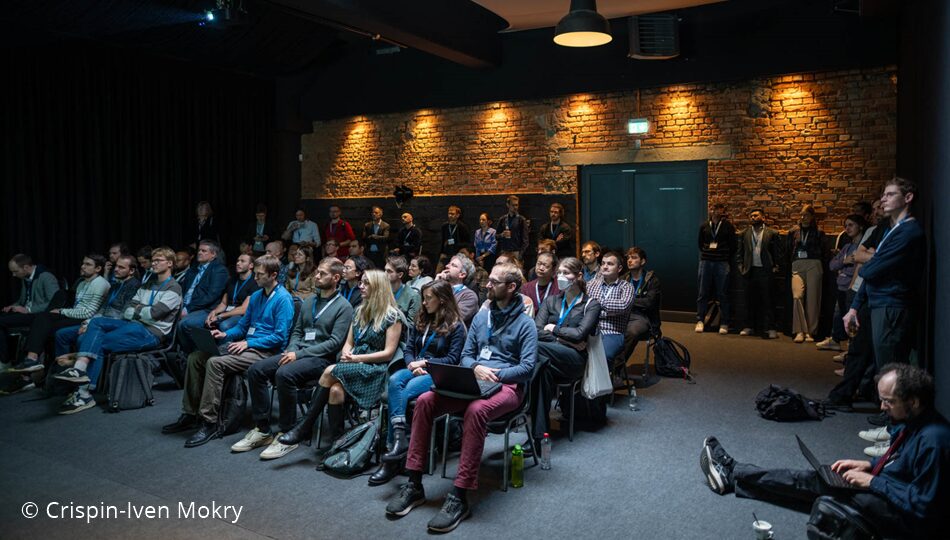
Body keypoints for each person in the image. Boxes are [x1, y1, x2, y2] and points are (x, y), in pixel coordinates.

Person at [699, 363, 950, 539]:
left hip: (910, 521)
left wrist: (873, 482)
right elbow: (903, 466)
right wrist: (871, 465)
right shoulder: (914, 422)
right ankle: (735, 479)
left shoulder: (935, 441)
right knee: (823, 481)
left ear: (914, 401)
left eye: (889, 401)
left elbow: (924, 505)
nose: (883, 407)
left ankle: (733, 473)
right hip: (890, 489)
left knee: (818, 484)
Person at [384, 262, 537, 533]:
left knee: (476, 410)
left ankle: (459, 495)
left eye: (493, 282)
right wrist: (476, 367)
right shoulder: (482, 317)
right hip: (474, 379)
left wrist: (496, 374)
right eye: (488, 280)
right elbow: (466, 356)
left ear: (511, 288)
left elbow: (527, 368)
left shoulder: (525, 325)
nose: (487, 285)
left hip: (508, 387)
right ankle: (414, 483)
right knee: (424, 401)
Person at [163, 255, 294, 448]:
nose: (255, 278)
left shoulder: (284, 299)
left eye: (259, 275)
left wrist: (249, 344)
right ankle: (190, 414)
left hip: (267, 352)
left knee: (215, 363)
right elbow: (242, 327)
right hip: (247, 345)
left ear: (273, 275)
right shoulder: (257, 296)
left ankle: (209, 422)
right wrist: (224, 334)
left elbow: (280, 337)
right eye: (255, 274)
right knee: (196, 357)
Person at [235, 257, 354, 459]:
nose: (317, 276)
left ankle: (286, 432)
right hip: (296, 353)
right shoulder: (309, 301)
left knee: (284, 374)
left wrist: (297, 354)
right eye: (317, 272)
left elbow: (334, 343)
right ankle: (263, 429)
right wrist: (290, 351)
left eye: (322, 274)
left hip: (321, 359)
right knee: (256, 369)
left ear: (335, 278)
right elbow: (297, 332)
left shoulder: (344, 307)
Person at [278, 269, 404, 449]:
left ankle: (304, 427)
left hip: (375, 369)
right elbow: (348, 343)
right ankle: (337, 443)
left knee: (329, 371)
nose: (361, 286)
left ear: (378, 287)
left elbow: (388, 353)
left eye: (366, 283)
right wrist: (346, 354)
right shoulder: (359, 311)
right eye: (361, 282)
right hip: (353, 363)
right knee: (335, 391)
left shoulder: (393, 316)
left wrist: (356, 358)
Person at [53, 247, 183, 414]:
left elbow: (153, 314)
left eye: (159, 260)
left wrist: (140, 310)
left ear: (170, 264)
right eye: (153, 260)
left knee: (96, 342)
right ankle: (80, 371)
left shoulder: (174, 287)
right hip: (134, 325)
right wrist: (142, 311)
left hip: (151, 334)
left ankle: (83, 386)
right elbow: (128, 310)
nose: (154, 263)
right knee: (97, 322)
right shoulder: (147, 284)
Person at [372, 280, 466, 485]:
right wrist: (411, 364)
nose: (423, 303)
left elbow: (453, 359)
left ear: (442, 300)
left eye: (428, 299)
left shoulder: (456, 326)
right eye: (423, 298)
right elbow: (408, 349)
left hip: (438, 373)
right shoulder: (421, 320)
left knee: (403, 394)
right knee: (396, 380)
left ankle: (391, 457)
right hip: (414, 367)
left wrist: (425, 363)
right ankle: (399, 443)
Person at [844, 178, 925, 373]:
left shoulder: (909, 232)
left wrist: (867, 262)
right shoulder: (892, 230)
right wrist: (854, 307)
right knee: (883, 368)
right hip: (881, 303)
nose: (883, 200)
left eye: (890, 195)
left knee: (891, 370)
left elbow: (869, 270)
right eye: (883, 195)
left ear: (908, 197)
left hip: (892, 307)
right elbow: (872, 271)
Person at [530, 257, 600, 448]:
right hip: (549, 357)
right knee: (541, 369)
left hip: (574, 361)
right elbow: (536, 330)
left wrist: (552, 328)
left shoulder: (591, 305)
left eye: (566, 273)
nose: (561, 277)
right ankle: (539, 437)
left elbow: (579, 335)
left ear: (578, 276)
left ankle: (517, 407)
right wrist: (561, 338)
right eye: (559, 273)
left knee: (533, 348)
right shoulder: (551, 301)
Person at [7, 254, 110, 374]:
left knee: (44, 327)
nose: (83, 266)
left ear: (98, 269)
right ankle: (33, 362)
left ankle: (40, 365)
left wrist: (62, 311)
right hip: (75, 315)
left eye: (88, 264)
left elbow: (88, 312)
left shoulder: (100, 283)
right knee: (42, 320)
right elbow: (78, 307)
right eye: (83, 263)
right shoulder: (82, 284)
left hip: (87, 320)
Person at [53, 255, 140, 359]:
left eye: (121, 268)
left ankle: (85, 372)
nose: (116, 269)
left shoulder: (134, 286)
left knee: (82, 338)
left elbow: (124, 314)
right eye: (116, 266)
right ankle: (63, 368)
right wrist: (88, 323)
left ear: (131, 271)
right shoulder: (116, 284)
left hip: (114, 325)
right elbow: (103, 308)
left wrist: (94, 325)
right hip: (99, 322)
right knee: (61, 334)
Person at [0, 254, 60, 368]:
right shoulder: (26, 278)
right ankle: (5, 357)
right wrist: (12, 306)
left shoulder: (46, 277)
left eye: (15, 271)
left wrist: (28, 309)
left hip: (38, 316)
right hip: (27, 312)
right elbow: (23, 301)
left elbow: (54, 303)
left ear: (26, 267)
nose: (13, 274)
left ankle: (4, 360)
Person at [818, 215, 866, 353]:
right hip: (841, 286)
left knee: (852, 320)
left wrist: (846, 269)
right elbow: (832, 265)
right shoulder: (847, 246)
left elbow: (858, 268)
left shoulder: (863, 247)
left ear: (860, 226)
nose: (847, 228)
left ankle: (851, 350)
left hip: (852, 287)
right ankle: (836, 341)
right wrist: (844, 262)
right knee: (838, 315)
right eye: (846, 225)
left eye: (851, 225)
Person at [177, 241, 230, 354]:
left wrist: (188, 309)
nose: (199, 253)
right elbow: (184, 291)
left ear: (213, 255)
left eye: (204, 251)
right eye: (199, 250)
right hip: (186, 305)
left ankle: (193, 353)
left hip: (206, 308)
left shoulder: (219, 270)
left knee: (184, 324)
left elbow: (212, 295)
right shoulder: (193, 269)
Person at [736, 208, 781, 339]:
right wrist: (741, 267)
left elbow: (777, 252)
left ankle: (771, 328)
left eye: (756, 215)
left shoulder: (772, 233)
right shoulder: (744, 233)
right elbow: (739, 253)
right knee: (749, 300)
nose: (753, 217)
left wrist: (776, 266)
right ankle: (748, 326)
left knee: (768, 300)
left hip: (766, 271)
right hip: (750, 271)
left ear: (763, 218)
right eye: (751, 216)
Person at [587, 251, 634, 365]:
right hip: (589, 330)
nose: (605, 267)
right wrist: (605, 310)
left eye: (610, 264)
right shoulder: (591, 284)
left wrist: (596, 305)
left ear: (619, 268)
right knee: (575, 351)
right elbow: (585, 306)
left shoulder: (626, 287)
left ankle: (603, 382)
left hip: (612, 332)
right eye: (603, 263)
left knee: (603, 356)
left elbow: (622, 306)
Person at [695, 202, 736, 335]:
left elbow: (733, 245)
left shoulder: (728, 226)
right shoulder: (704, 226)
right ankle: (700, 320)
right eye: (714, 209)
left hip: (722, 263)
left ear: (723, 211)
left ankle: (724, 322)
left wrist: (724, 255)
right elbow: (700, 244)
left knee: (723, 293)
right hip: (706, 262)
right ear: (711, 210)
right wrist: (708, 252)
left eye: (719, 209)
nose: (716, 211)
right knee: (703, 293)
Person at [788, 204, 825, 343]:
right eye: (801, 215)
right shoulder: (794, 231)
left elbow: (824, 251)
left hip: (814, 263)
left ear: (812, 217)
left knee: (813, 299)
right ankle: (799, 331)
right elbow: (788, 249)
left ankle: (810, 332)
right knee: (797, 295)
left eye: (806, 215)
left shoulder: (819, 231)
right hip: (797, 264)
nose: (803, 217)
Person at [621, 247, 661, 360]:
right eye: (628, 258)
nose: (629, 260)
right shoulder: (624, 278)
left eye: (634, 258)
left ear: (642, 261)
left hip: (644, 317)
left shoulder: (652, 280)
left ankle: (616, 368)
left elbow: (648, 303)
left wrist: (627, 300)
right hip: (624, 315)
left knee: (631, 331)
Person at [205, 253, 260, 333]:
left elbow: (244, 309)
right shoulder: (232, 280)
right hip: (229, 311)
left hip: (243, 315)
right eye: (237, 261)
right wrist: (213, 312)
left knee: (224, 325)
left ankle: (225, 345)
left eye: (242, 261)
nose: (238, 263)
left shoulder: (255, 282)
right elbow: (224, 304)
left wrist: (220, 316)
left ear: (251, 265)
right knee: (208, 322)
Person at [438, 253, 479, 327]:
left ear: (462, 275)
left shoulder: (469, 296)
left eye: (453, 265)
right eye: (449, 264)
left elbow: (452, 319)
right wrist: (436, 285)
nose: (447, 266)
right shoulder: (441, 287)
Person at [386, 256, 421, 323]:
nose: (385, 274)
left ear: (400, 275)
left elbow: (411, 326)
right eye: (385, 270)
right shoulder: (382, 291)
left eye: (389, 271)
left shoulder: (413, 297)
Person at [496, 195, 530, 260]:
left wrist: (520, 254)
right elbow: (496, 236)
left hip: (516, 252)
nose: (515, 207)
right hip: (504, 251)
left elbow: (525, 240)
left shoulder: (521, 220)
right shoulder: (502, 219)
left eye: (516, 205)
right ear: (508, 205)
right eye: (513, 205)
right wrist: (502, 235)